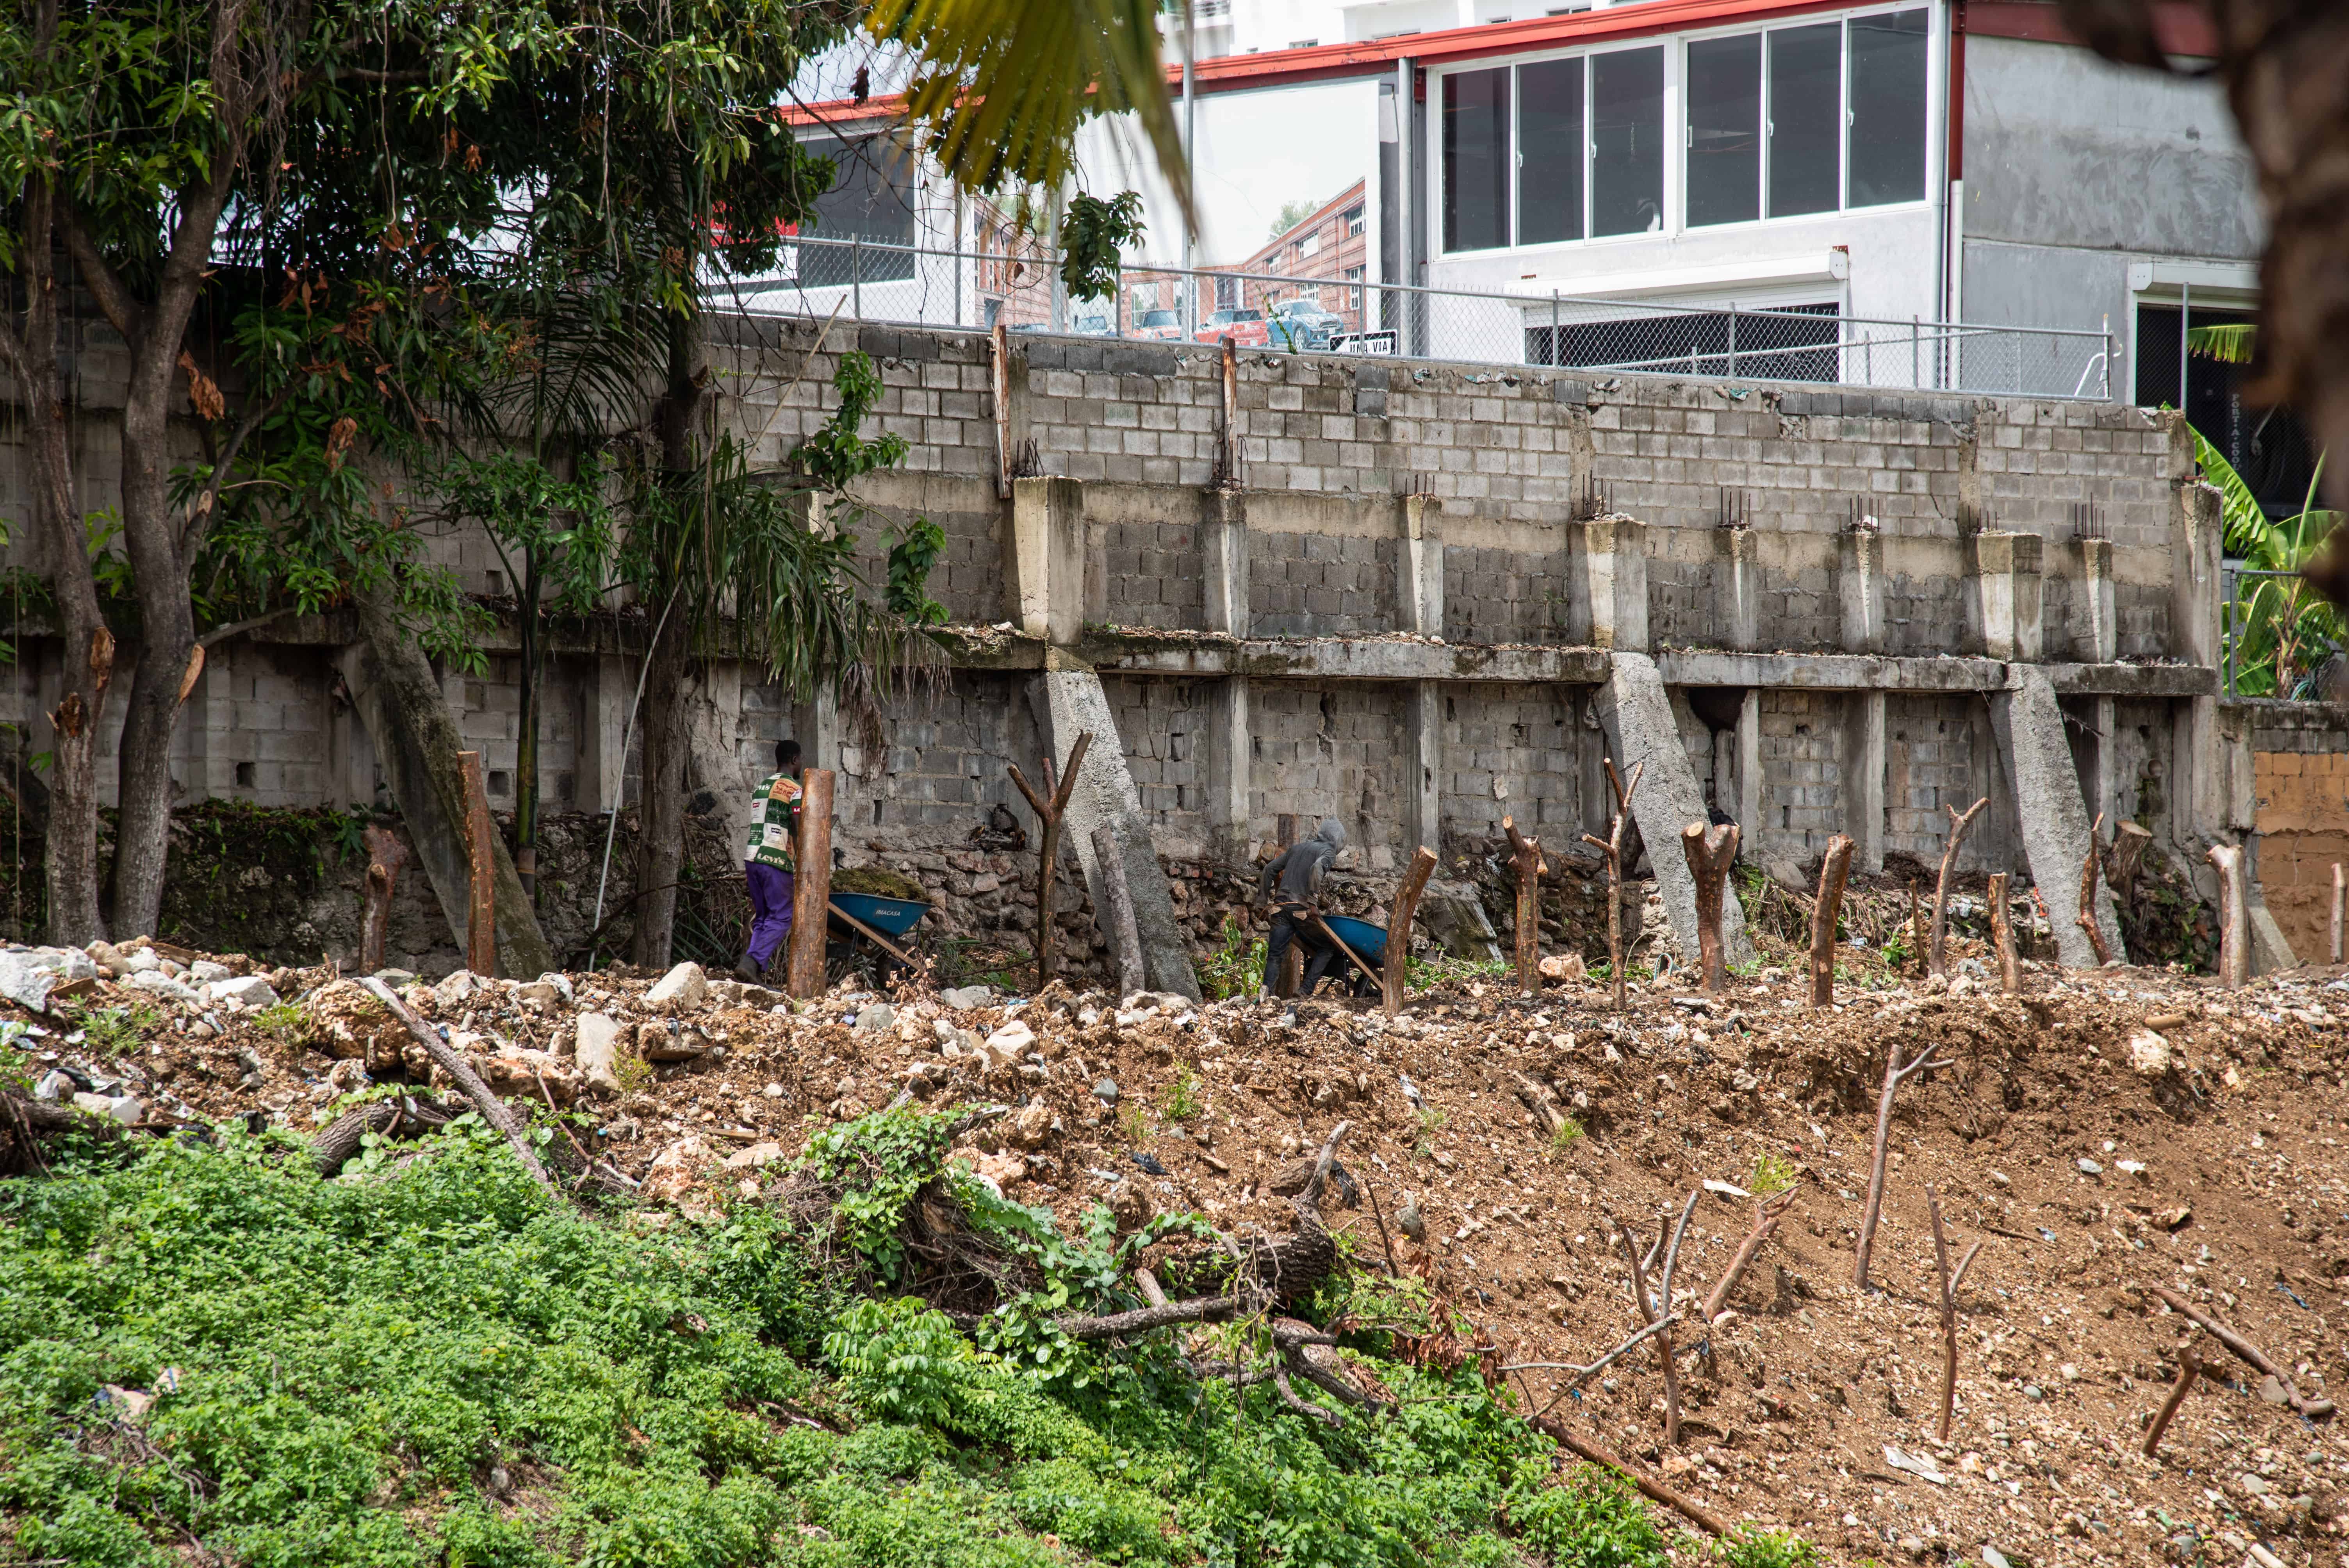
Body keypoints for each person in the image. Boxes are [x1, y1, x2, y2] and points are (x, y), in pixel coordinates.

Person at [1256, 817, 1347, 1001]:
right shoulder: (1328, 853)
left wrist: (1261, 901)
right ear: (1338, 840)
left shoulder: (1296, 849)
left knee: (1275, 956)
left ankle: (1266, 999)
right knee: (1328, 948)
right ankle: (1305, 991)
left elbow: (1268, 870)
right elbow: (1316, 869)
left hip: (1280, 907)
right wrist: (1313, 902)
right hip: (1300, 909)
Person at [739, 739, 803, 981]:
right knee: (783, 916)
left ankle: (750, 969)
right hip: (775, 860)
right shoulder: (795, 789)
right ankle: (752, 960)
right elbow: (799, 826)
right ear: (795, 760)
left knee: (764, 916)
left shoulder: (761, 787)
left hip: (753, 857)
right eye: (801, 760)